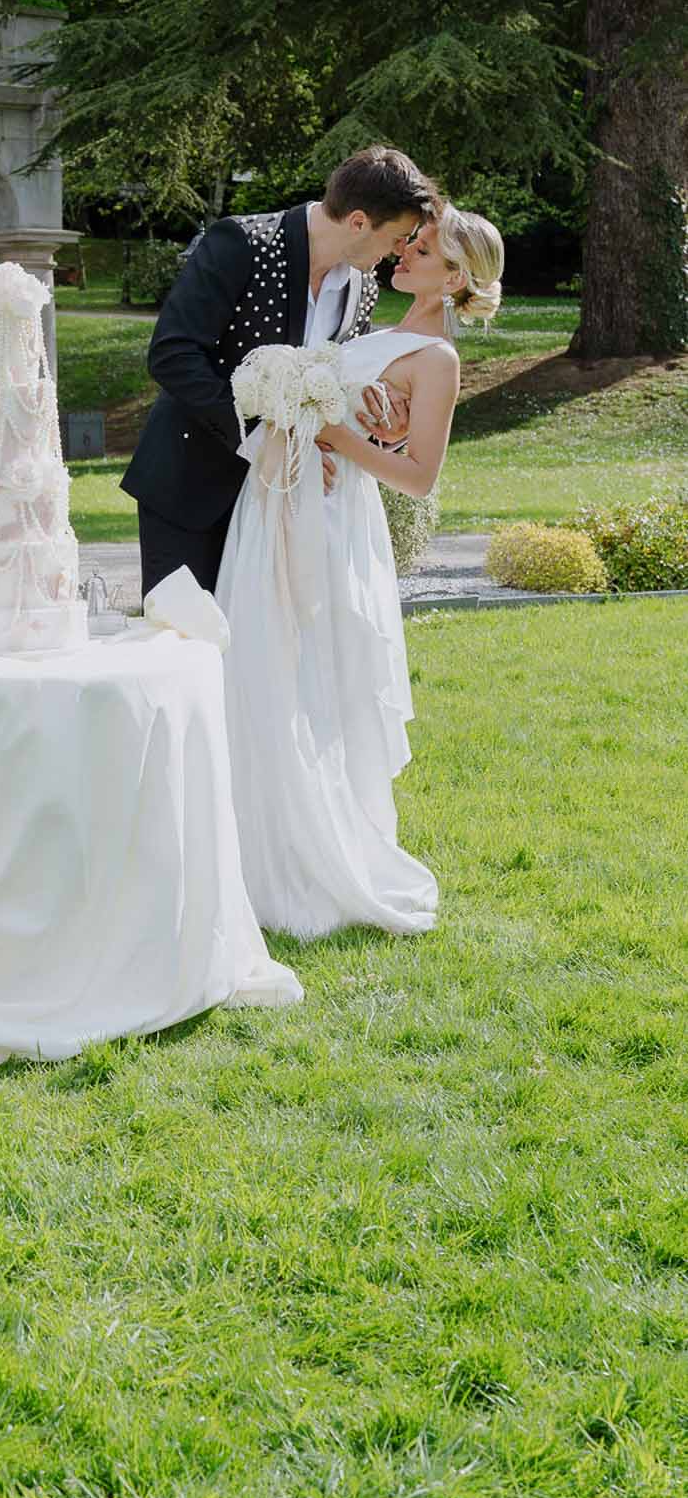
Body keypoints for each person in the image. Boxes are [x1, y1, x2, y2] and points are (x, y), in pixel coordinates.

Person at [214, 204, 505, 939]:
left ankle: (310, 853)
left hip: (333, 524)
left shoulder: (435, 358)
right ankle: (246, 847)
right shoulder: (379, 334)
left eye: (424, 247)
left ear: (451, 278)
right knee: (255, 658)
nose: (403, 251)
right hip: (281, 502)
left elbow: (417, 477)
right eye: (409, 240)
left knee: (308, 666)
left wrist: (333, 429)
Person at [121, 147, 440, 597]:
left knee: (263, 659)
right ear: (358, 222)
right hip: (193, 490)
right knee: (190, 647)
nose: (399, 252)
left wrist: (381, 426)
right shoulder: (242, 243)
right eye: (397, 238)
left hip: (288, 510)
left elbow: (333, 386)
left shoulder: (361, 287)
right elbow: (173, 354)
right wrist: (258, 437)